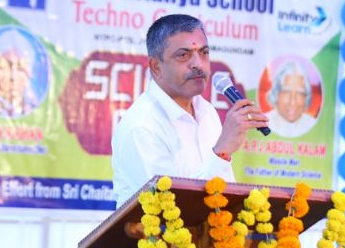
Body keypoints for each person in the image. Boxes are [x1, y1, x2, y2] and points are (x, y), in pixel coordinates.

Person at [111, 14, 268, 207]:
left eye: (204, 52)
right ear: (156, 67)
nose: (198, 64)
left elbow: (222, 194)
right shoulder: (142, 126)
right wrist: (222, 151)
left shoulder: (206, 112)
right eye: (183, 55)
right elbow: (173, 208)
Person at [265, 61, 317, 138]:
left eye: (299, 93)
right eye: (286, 92)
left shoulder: (312, 125)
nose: (292, 102)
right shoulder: (263, 123)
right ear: (276, 93)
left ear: (306, 97)